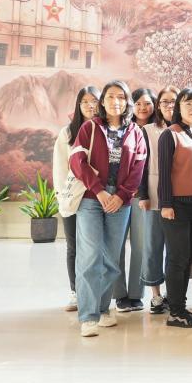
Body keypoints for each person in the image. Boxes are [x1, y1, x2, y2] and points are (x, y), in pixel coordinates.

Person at [69, 80, 147, 337]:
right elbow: (76, 161)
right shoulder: (90, 127)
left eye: (121, 97)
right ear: (102, 101)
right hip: (91, 198)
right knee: (90, 256)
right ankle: (88, 316)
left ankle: (102, 309)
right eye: (111, 96)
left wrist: (122, 196)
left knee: (112, 259)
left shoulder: (135, 132)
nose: (116, 101)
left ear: (127, 102)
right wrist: (99, 190)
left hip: (120, 202)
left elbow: (138, 168)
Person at [157, 88, 192, 328]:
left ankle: (181, 307)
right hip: (177, 206)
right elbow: (164, 172)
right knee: (177, 258)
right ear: (179, 107)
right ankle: (175, 313)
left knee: (188, 258)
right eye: (188, 103)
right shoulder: (170, 134)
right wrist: (166, 204)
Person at [52, 85, 100, 312]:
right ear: (78, 105)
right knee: (74, 246)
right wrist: (63, 197)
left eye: (94, 101)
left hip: (96, 197)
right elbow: (60, 168)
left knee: (95, 247)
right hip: (73, 197)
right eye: (85, 101)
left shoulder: (104, 130)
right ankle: (75, 291)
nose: (90, 106)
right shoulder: (68, 133)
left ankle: (95, 292)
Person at [137, 85, 178, 315]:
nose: (169, 106)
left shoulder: (186, 129)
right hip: (154, 196)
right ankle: (155, 295)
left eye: (173, 101)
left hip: (180, 198)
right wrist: (143, 194)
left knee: (175, 249)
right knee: (153, 247)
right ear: (158, 106)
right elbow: (141, 164)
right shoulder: (148, 130)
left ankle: (174, 294)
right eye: (165, 102)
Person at [113, 87, 155, 312]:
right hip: (120, 195)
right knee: (117, 245)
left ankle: (136, 294)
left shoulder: (158, 129)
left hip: (142, 198)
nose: (142, 108)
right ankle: (119, 294)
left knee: (141, 246)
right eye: (138, 103)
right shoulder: (123, 129)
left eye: (147, 103)